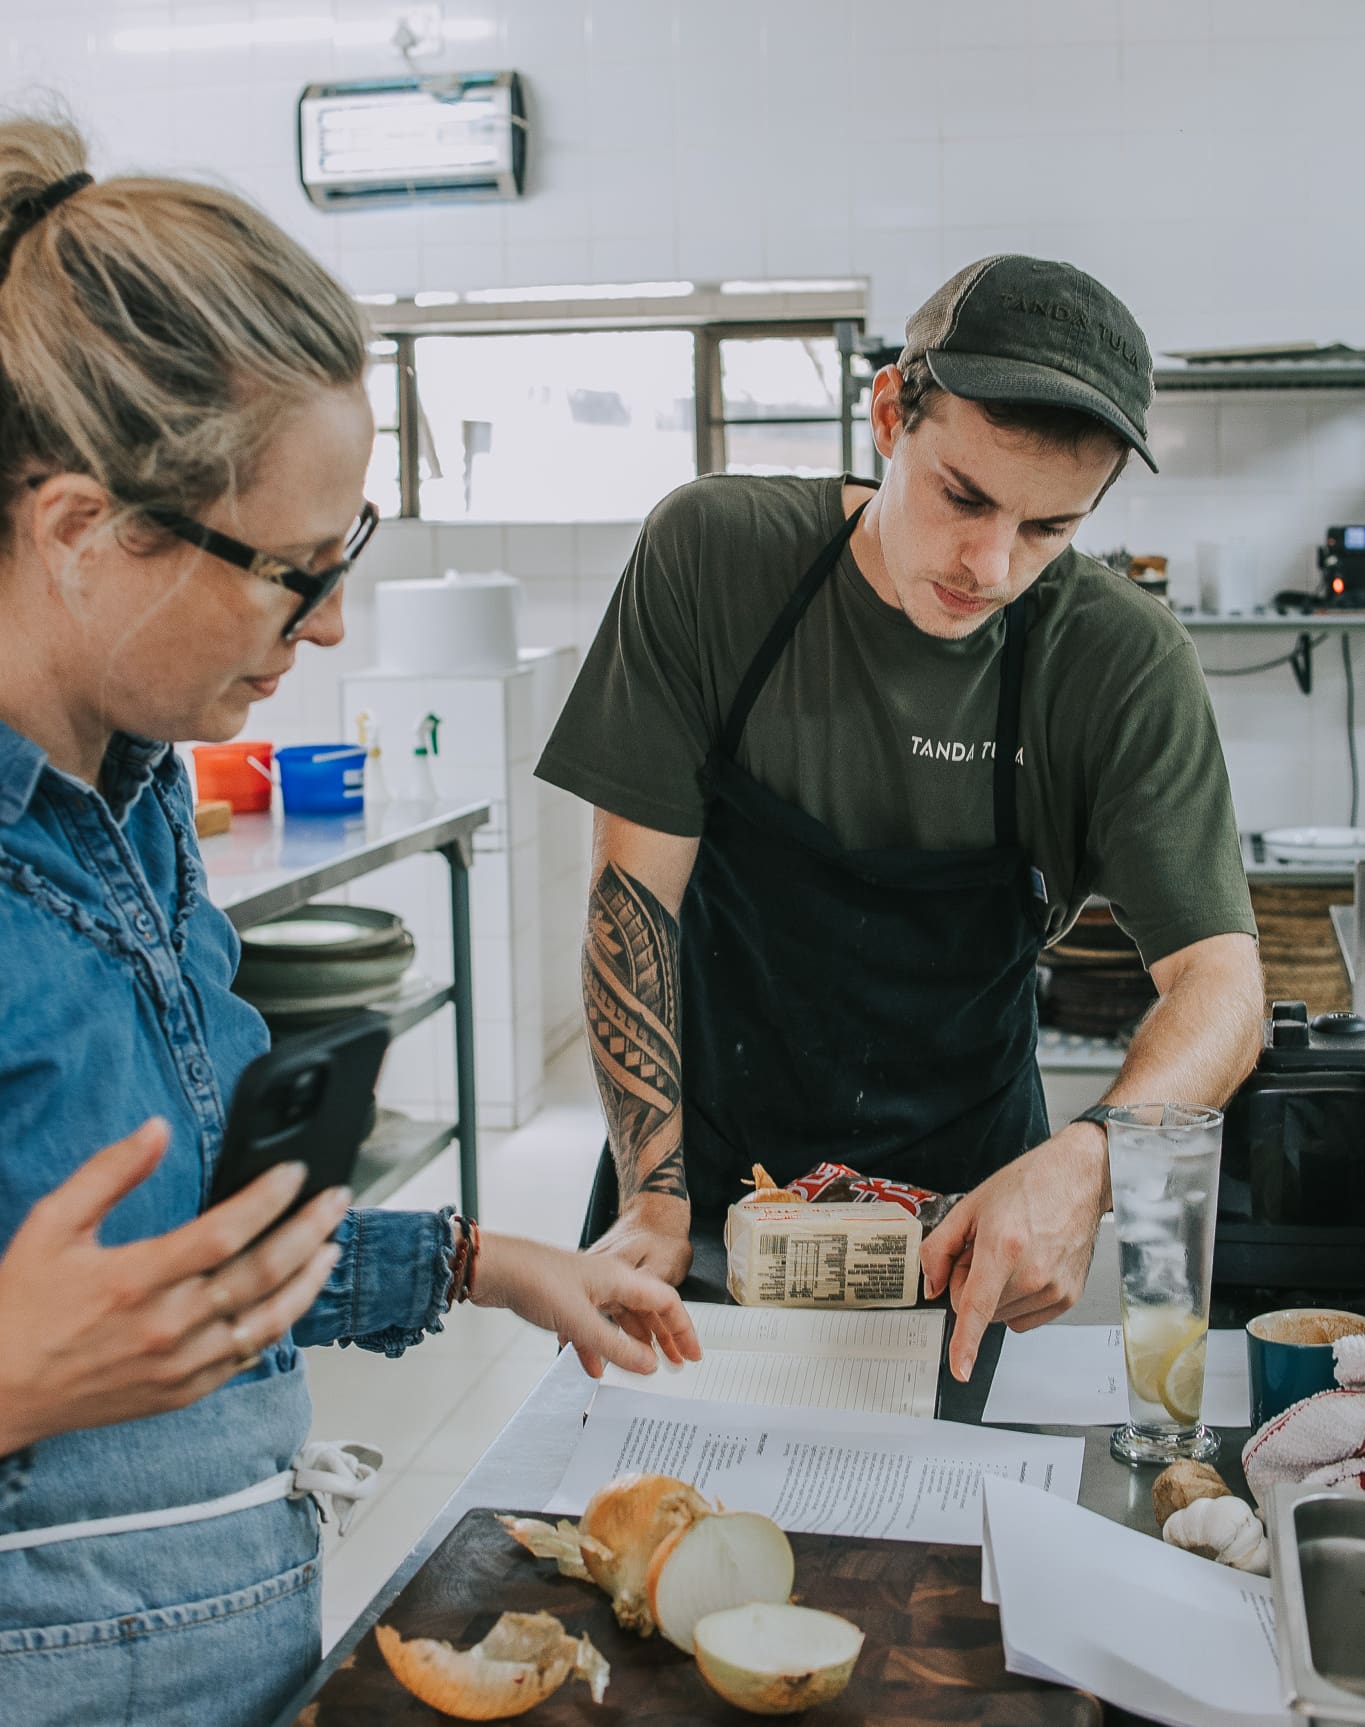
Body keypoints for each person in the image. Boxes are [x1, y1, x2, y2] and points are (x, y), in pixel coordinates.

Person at [0, 115, 699, 1727]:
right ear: (82, 531)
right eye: (290, 569)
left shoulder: (135, 796)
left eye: (349, 552)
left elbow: (186, 1262)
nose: (328, 623)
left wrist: (479, 1258)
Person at [537, 254, 1263, 1382]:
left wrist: (1089, 1159)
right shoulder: (715, 557)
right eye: (964, 497)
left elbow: (1226, 989)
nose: (990, 566)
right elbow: (634, 906)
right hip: (705, 1189)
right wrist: (656, 1195)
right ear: (889, 413)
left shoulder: (1119, 660)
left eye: (1048, 529)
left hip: (964, 1226)